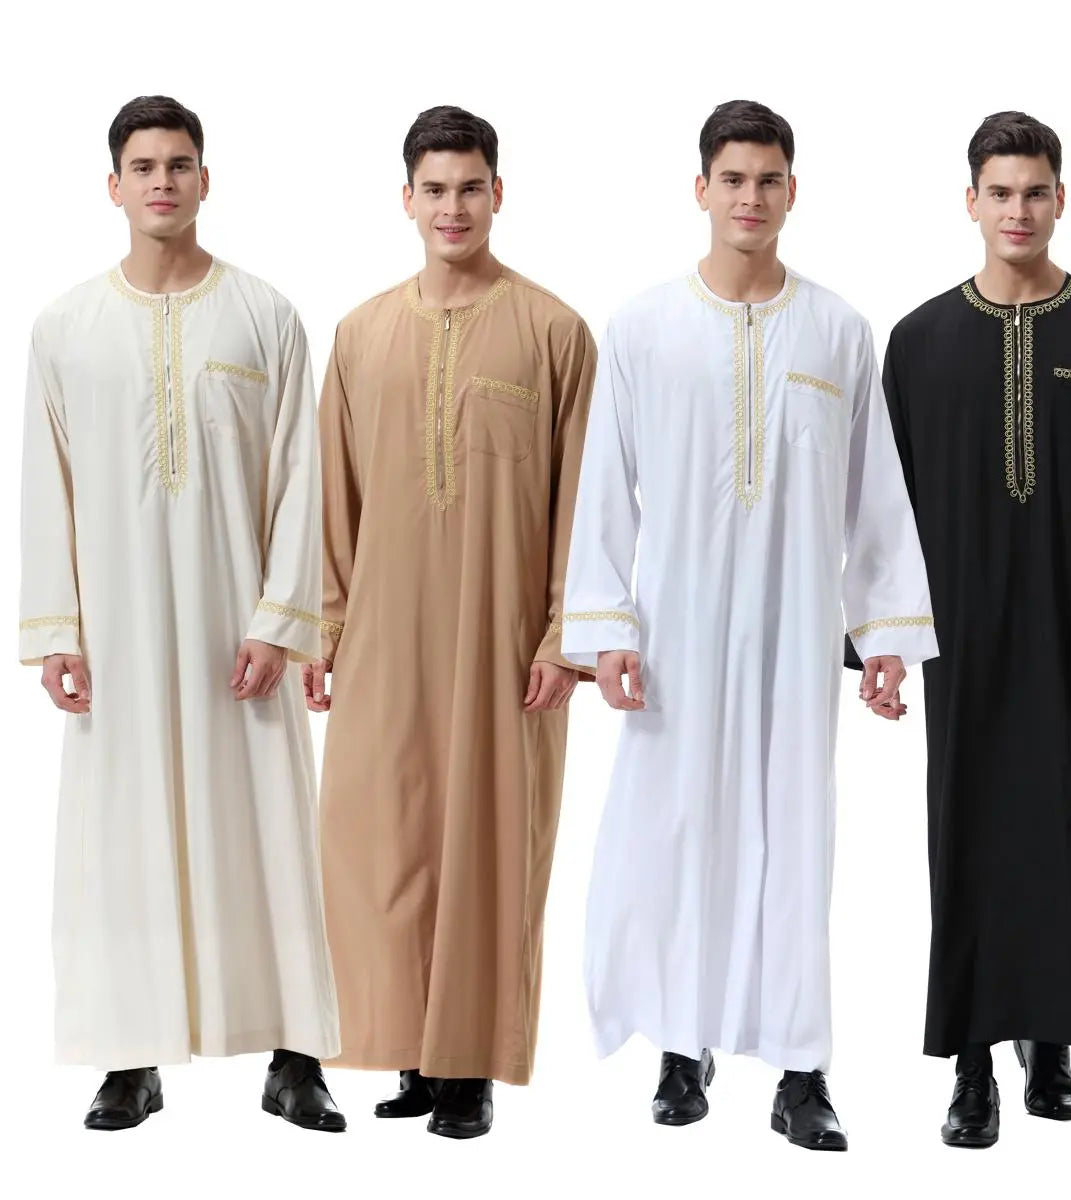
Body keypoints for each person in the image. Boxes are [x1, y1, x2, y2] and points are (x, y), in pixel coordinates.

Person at [560, 100, 938, 1151]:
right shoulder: (643, 327)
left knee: (795, 835)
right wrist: (608, 628)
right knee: (678, 828)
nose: (751, 197)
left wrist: (885, 638)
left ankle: (801, 1070)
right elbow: (605, 488)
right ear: (701, 189)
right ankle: (682, 1045)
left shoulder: (837, 331)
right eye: (733, 178)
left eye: (769, 179)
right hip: (676, 631)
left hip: (795, 634)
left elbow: (875, 497)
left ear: (792, 192)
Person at [18, 95, 343, 1131]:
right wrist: (57, 632)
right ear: (113, 186)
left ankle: (296, 1056)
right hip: (119, 637)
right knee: (122, 833)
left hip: (239, 637)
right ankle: (130, 1056)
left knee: (267, 829)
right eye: (145, 166)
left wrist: (281, 619)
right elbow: (47, 483)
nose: (163, 181)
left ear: (207, 180)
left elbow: (301, 476)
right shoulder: (66, 328)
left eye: (181, 164)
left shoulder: (265, 316)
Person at [880, 111, 1071, 1149]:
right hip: (962, 635)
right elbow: (884, 508)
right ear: (970, 202)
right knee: (968, 834)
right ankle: (972, 1061)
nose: (1018, 211)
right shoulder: (919, 342)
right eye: (1000, 193)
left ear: (1061, 200)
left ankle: (1053, 1041)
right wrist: (882, 637)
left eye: (1036, 192)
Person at [306, 105, 596, 1140]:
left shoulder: (554, 332)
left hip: (503, 641)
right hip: (383, 635)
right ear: (406, 199)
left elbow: (585, 505)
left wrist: (565, 636)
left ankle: (469, 1063)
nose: (453, 207)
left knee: (491, 843)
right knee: (381, 842)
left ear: (498, 194)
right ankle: (410, 1050)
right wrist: (323, 627)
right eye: (434, 189)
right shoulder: (360, 335)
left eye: (471, 187)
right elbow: (331, 497)